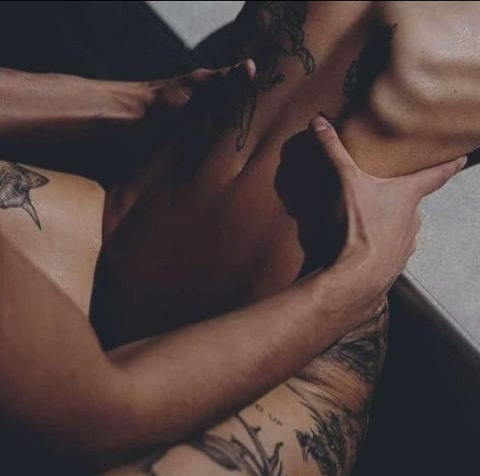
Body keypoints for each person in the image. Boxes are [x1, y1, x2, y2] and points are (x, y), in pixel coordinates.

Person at [0, 1, 473, 474]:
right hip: (284, 293)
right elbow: (94, 418)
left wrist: (138, 100)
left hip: (287, 368)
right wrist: (353, 282)